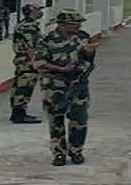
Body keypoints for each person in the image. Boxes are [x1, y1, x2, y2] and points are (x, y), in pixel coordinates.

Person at [34, 10, 104, 166]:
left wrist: (90, 53)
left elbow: (88, 59)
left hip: (78, 84)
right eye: (74, 24)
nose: (78, 26)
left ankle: (76, 151)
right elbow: (39, 63)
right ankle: (59, 153)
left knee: (79, 119)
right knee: (56, 120)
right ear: (62, 25)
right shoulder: (47, 40)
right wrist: (62, 69)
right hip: (55, 85)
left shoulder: (82, 37)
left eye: (79, 23)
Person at [9, 4, 44, 125]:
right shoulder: (30, 26)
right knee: (25, 87)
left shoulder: (23, 24)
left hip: (22, 60)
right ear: (31, 11)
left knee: (19, 86)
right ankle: (19, 114)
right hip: (27, 61)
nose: (41, 12)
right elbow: (31, 46)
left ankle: (16, 113)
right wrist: (36, 62)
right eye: (38, 9)